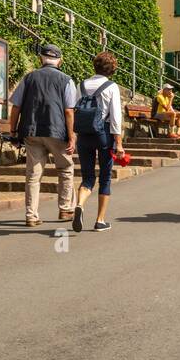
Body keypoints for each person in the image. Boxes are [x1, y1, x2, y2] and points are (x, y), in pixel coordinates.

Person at [8, 43, 78, 228]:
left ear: (41, 59)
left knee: (33, 175)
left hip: (31, 132)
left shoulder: (29, 78)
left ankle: (31, 215)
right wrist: (72, 136)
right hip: (57, 132)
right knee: (65, 169)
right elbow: (69, 111)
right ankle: (65, 209)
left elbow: (16, 107)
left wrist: (13, 131)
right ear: (60, 61)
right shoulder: (66, 80)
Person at [73, 51, 125, 234]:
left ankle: (79, 204)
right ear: (112, 69)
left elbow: (75, 109)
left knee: (87, 177)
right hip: (103, 133)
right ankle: (100, 220)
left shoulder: (81, 85)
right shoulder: (111, 87)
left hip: (84, 134)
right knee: (105, 177)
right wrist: (118, 143)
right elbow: (116, 117)